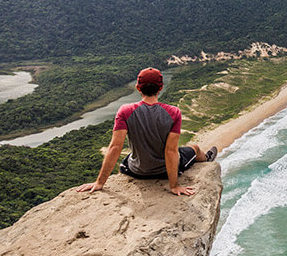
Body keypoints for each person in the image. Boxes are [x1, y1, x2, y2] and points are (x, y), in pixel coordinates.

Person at [76, 67, 218, 196]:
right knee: (195, 148)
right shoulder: (173, 112)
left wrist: (100, 182)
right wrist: (174, 186)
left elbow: (115, 147)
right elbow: (171, 151)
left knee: (127, 159)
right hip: (163, 171)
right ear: (160, 88)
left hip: (136, 170)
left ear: (138, 88)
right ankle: (206, 159)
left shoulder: (125, 111)